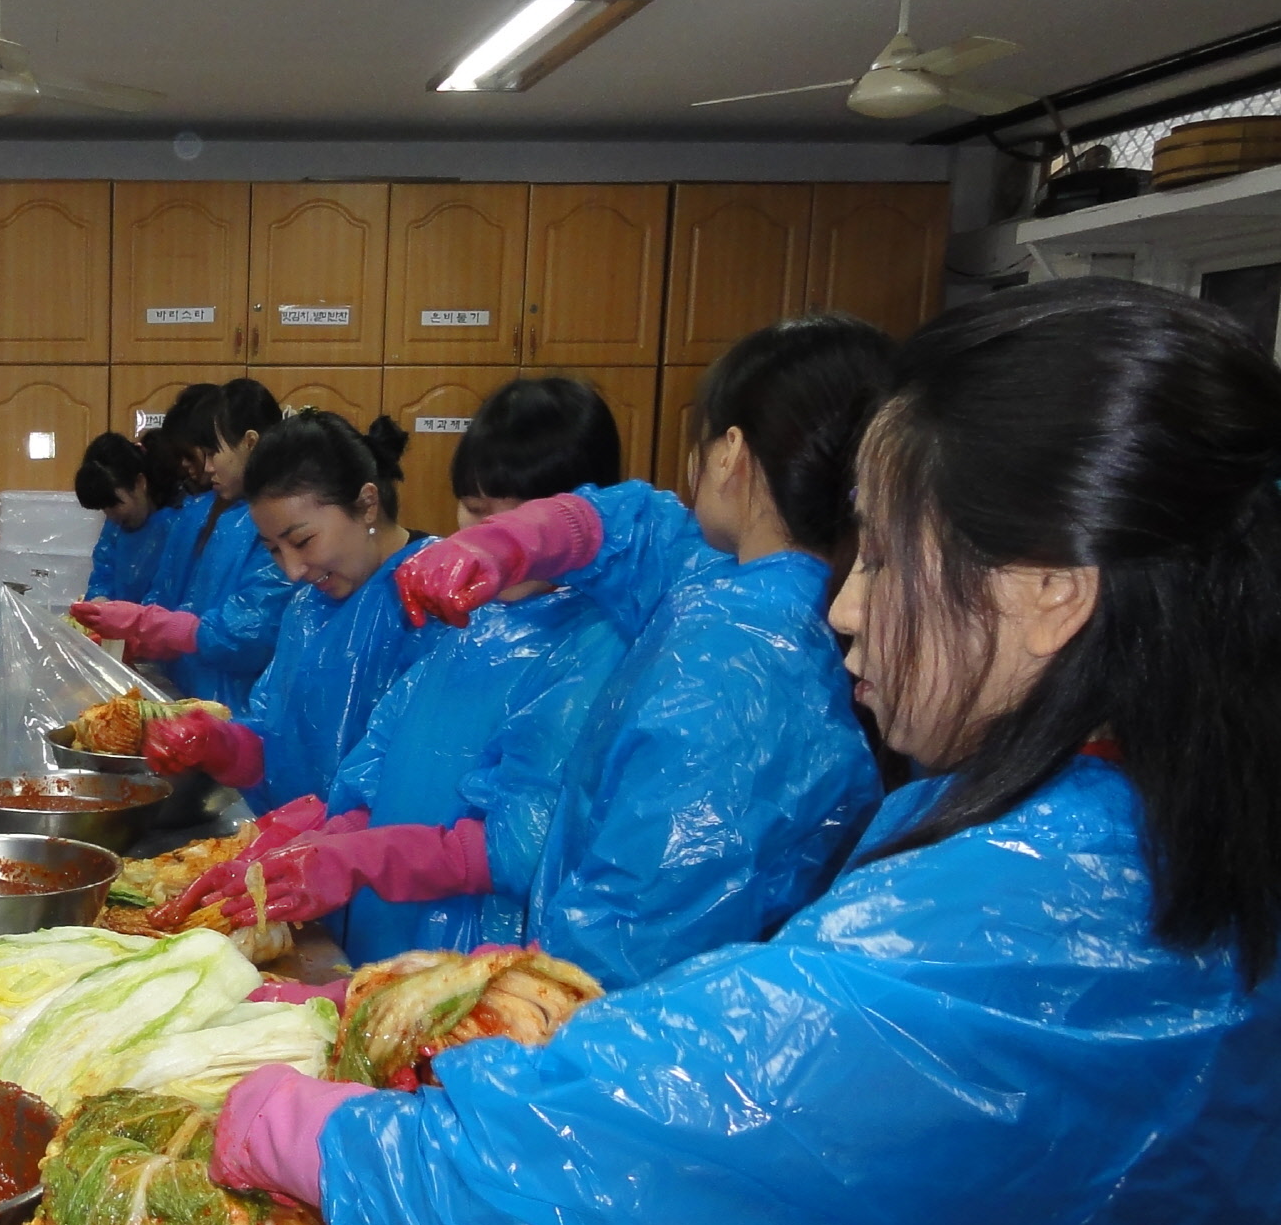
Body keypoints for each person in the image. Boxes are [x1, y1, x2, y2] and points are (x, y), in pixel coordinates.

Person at [212, 279, 1281, 1225]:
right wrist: (576, 525)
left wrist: (322, 1138)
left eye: (887, 559)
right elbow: (670, 533)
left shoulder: (1049, 926)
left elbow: (620, 1159)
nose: (841, 605)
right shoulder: (1146, 803)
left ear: (1052, 588)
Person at [373, 317, 891, 988]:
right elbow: (634, 527)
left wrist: (493, 1002)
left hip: (606, 1038)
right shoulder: (730, 581)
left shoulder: (737, 665)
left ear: (729, 453)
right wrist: (514, 538)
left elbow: (628, 938)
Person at [175, 380, 629, 957]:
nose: (482, 541)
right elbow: (374, 765)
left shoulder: (597, 642)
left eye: (502, 520)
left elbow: (522, 846)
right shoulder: (472, 616)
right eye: (472, 510)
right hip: (383, 935)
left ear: (572, 519)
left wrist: (364, 859)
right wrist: (309, 850)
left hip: (477, 957)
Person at [143, 412, 422, 820]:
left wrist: (344, 840)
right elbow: (275, 742)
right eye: (274, 549)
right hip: (298, 859)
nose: (292, 571)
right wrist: (220, 745)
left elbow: (422, 787)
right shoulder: (306, 609)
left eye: (302, 541)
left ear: (366, 504)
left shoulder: (431, 606)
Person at [71, 378, 294, 709]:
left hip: (242, 709)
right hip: (191, 693)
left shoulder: (273, 522)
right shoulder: (206, 513)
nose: (205, 468)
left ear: (249, 442)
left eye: (213, 452)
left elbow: (249, 635)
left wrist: (147, 624)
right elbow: (182, 602)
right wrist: (145, 638)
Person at [76, 428, 183, 604]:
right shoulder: (114, 529)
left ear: (140, 483)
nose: (111, 517)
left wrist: (137, 620)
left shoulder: (179, 523)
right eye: (104, 508)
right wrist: (99, 599)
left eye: (114, 504)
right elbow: (104, 573)